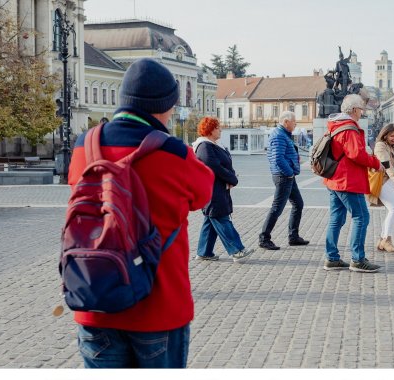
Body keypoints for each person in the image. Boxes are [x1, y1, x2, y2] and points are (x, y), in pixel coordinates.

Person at [67, 58, 214, 367]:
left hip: (95, 300)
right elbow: (204, 194)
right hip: (158, 308)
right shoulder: (174, 152)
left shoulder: (84, 146)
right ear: (164, 105)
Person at [323, 93, 384, 273]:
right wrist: (375, 163)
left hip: (335, 180)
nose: (362, 112)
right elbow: (356, 154)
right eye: (361, 109)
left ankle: (332, 258)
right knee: (361, 217)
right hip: (347, 181)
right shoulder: (349, 128)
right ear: (355, 109)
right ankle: (357, 259)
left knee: (336, 218)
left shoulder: (336, 125)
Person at [192, 116, 254, 262]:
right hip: (212, 190)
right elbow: (214, 167)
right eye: (217, 127)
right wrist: (232, 178)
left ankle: (204, 252)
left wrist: (231, 175)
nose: (220, 129)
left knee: (211, 218)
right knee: (221, 218)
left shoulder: (213, 145)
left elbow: (222, 165)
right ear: (209, 130)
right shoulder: (204, 146)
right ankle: (237, 250)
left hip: (218, 188)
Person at [259, 111, 309, 250]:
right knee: (277, 208)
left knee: (298, 204)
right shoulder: (278, 136)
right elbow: (278, 158)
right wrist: (289, 173)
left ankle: (293, 236)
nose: (295, 124)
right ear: (286, 122)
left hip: (287, 176)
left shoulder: (283, 135)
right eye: (294, 121)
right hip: (283, 177)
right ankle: (264, 238)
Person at [369, 123, 394, 253]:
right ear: (385, 134)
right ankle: (386, 240)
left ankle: (383, 239)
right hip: (383, 181)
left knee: (393, 209)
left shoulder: (392, 147)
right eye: (392, 135)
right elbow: (386, 165)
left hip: (390, 182)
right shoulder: (380, 146)